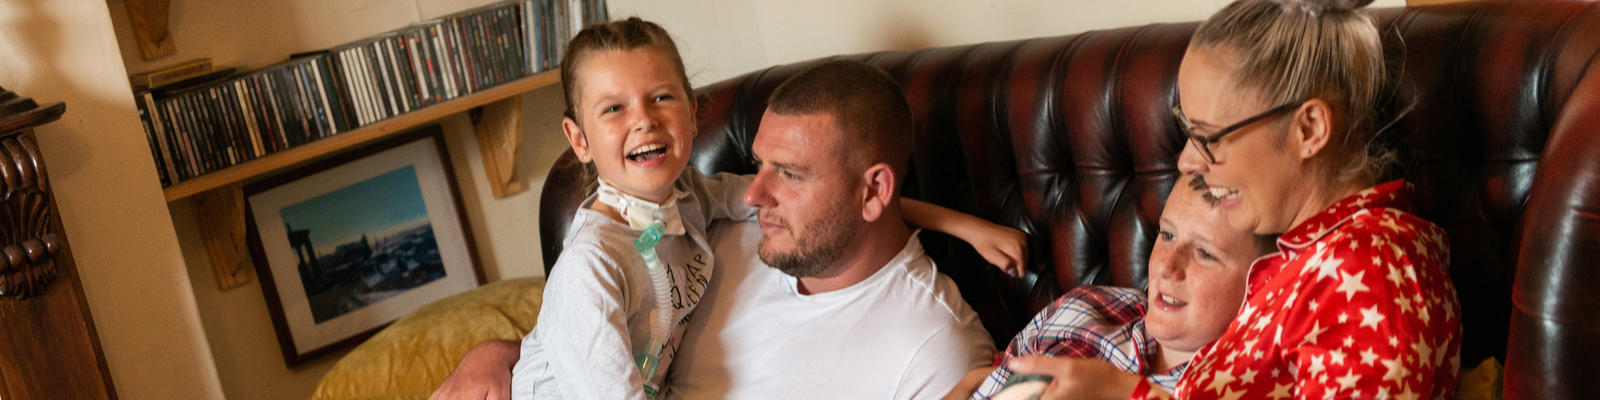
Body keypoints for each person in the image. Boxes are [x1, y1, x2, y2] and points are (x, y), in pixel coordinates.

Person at [435, 54, 1015, 398]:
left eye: (788, 173)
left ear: (874, 191)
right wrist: (502, 355)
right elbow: (607, 342)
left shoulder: (932, 351)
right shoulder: (716, 236)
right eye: (759, 163)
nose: (756, 192)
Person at [1013, 0, 1463, 399]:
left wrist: (1126, 395)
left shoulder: (1370, 272)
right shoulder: (1307, 260)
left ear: (1308, 130)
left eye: (1208, 137)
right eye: (1188, 132)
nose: (1189, 161)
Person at [943, 175, 1277, 399]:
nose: (1166, 266)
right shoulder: (1088, 306)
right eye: (1167, 235)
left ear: (1261, 280)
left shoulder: (1244, 386)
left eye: (1205, 253)